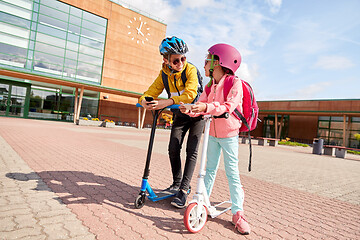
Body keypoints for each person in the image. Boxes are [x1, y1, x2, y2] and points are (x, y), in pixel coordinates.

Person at [179, 43, 251, 234]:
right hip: (211, 133)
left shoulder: (234, 84)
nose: (204, 64)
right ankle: (202, 201)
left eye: (208, 60)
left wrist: (206, 108)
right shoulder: (211, 85)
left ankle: (238, 212)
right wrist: (191, 109)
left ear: (220, 62)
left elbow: (228, 106)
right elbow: (202, 105)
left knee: (232, 173)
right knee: (208, 169)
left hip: (228, 135)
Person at [139, 36, 204, 208]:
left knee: (191, 151)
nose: (181, 62)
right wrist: (144, 100)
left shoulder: (190, 70)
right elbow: (150, 91)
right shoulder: (164, 75)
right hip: (180, 115)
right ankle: (177, 183)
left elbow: (190, 94)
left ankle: (183, 190)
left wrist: (166, 102)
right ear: (165, 59)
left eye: (183, 58)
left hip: (196, 113)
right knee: (173, 148)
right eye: (176, 60)